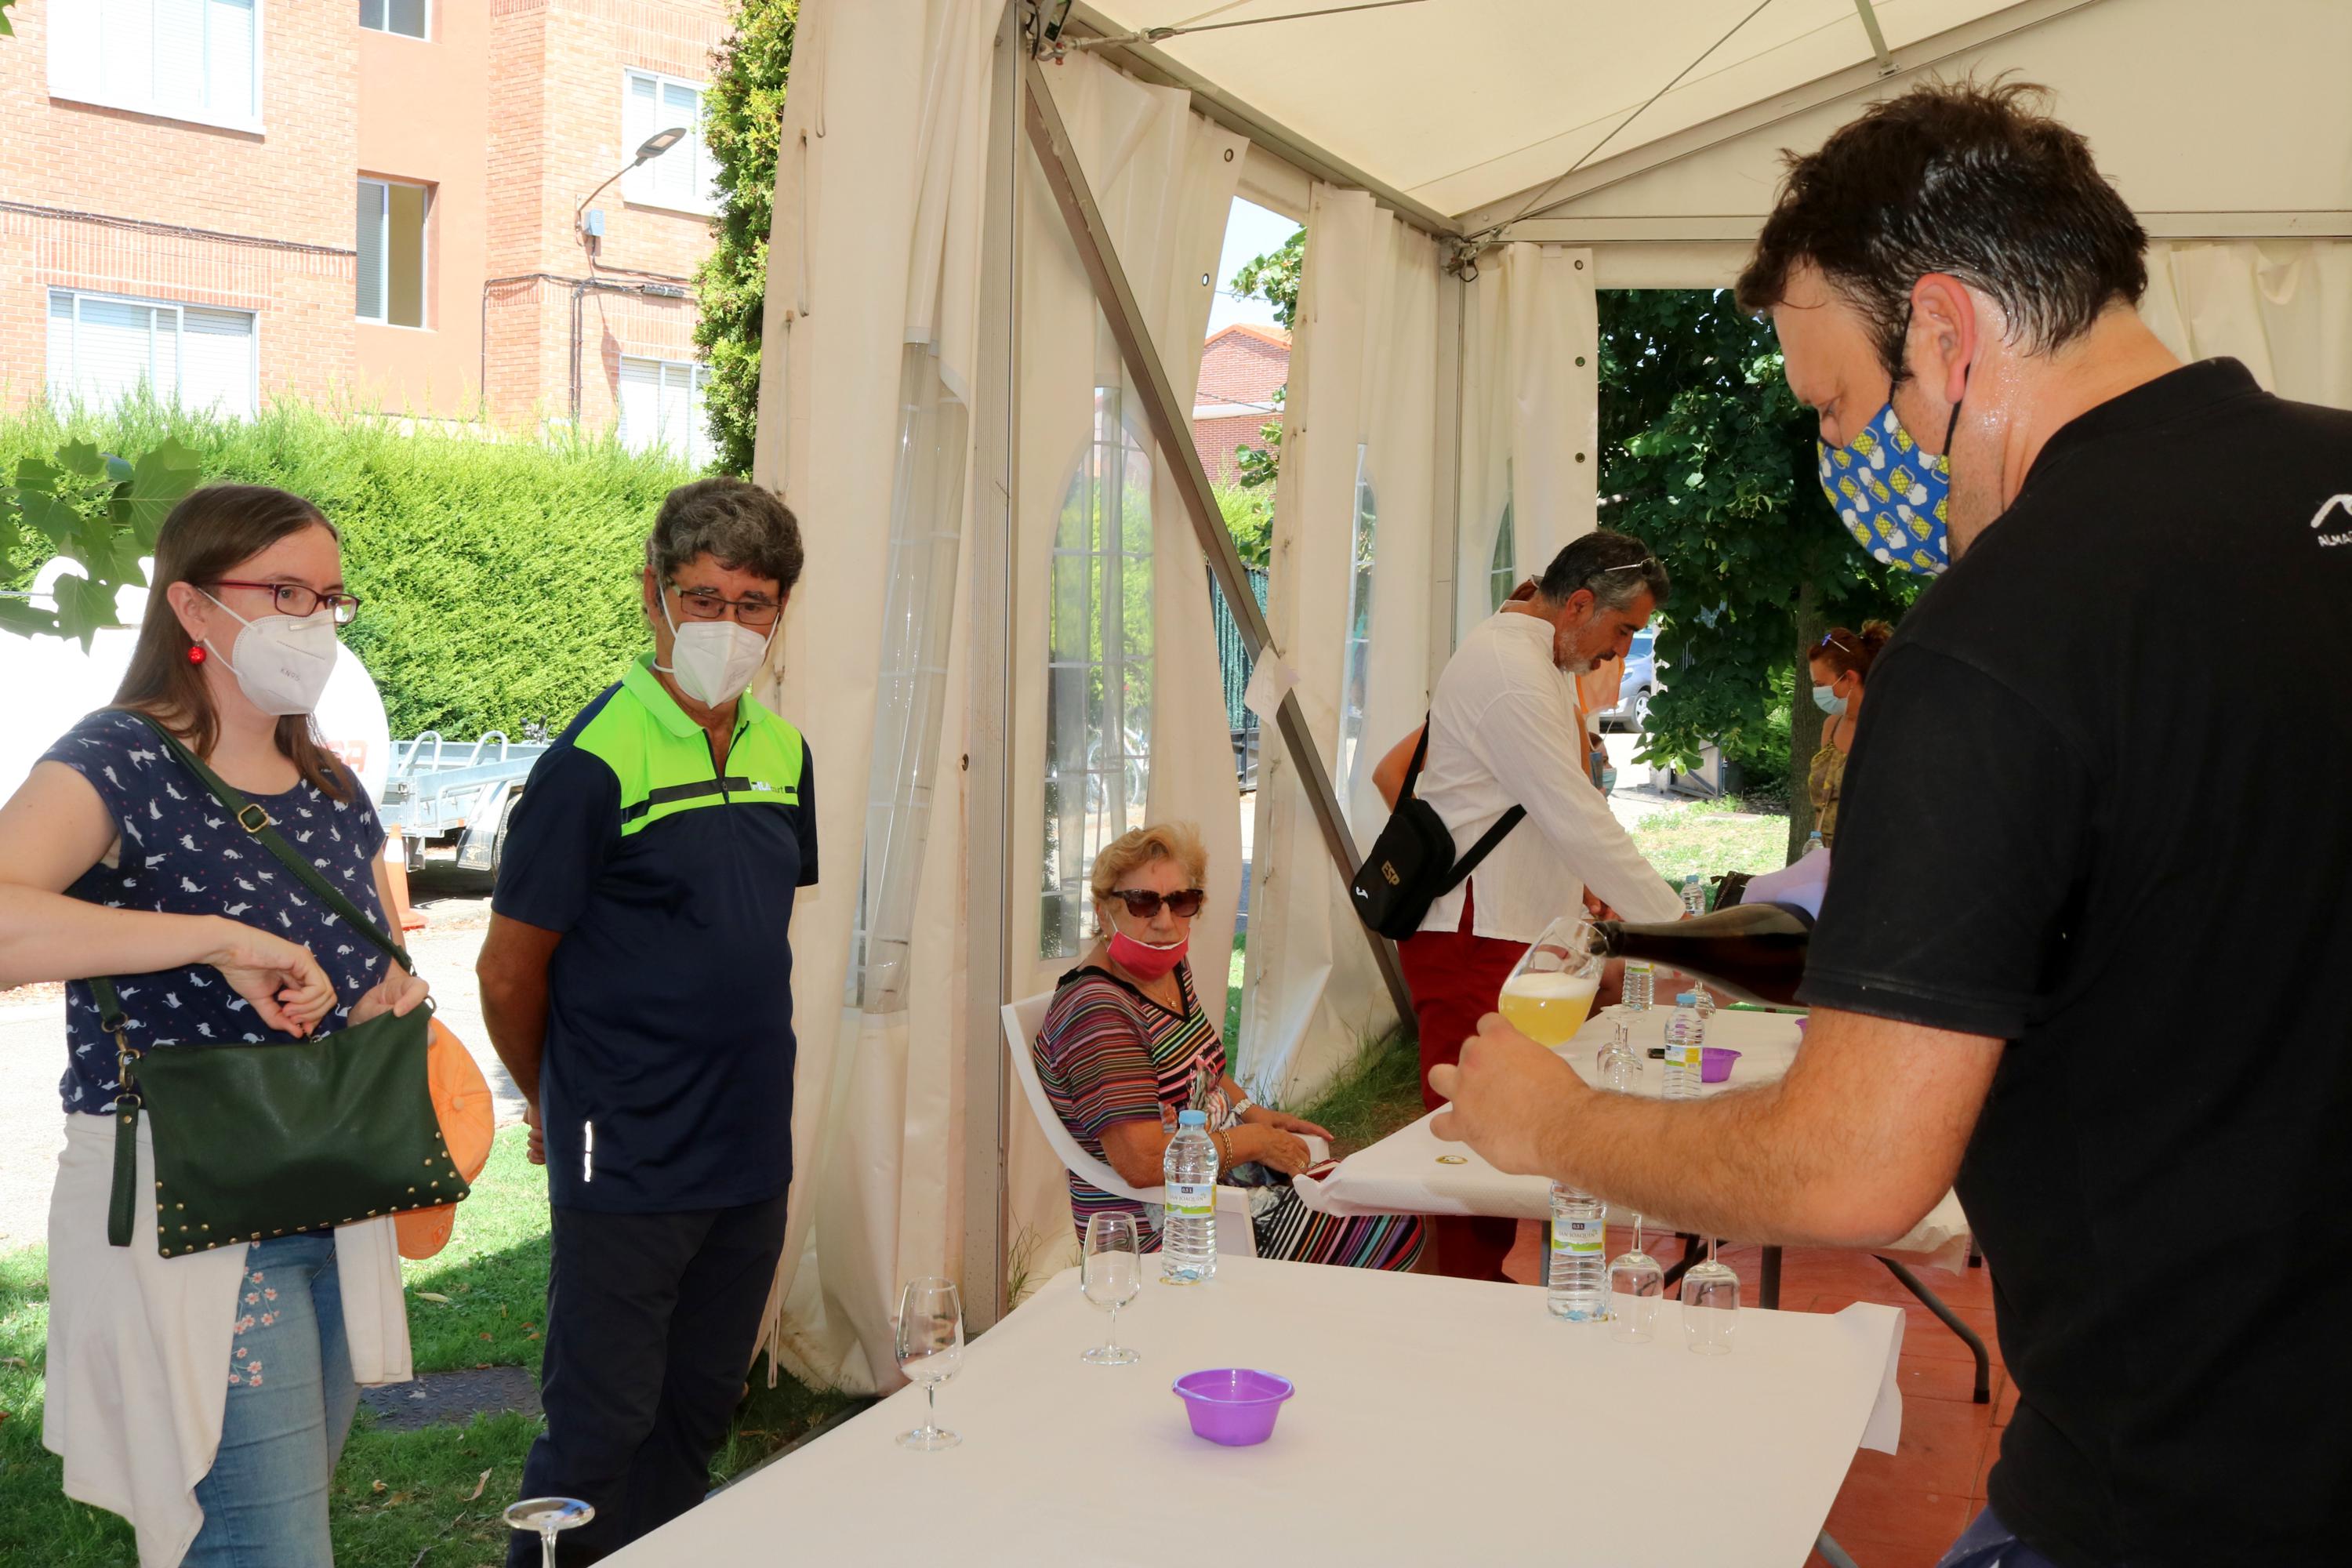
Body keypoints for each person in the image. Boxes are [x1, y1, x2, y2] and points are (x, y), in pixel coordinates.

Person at [1428, 81, 2352, 1566]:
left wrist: (1562, 1125)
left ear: (1946, 332)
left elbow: (1854, 1169)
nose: (1871, 450)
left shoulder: (2003, 631)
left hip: (2177, 1492)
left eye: (1847, 405)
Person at [0, 485, 428, 1566]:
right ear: (192, 610)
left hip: (333, 1190)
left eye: (330, 597)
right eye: (283, 591)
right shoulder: (120, 758)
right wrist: (212, 937)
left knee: (265, 1533)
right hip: (191, 1206)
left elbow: (370, 960)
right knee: (263, 1546)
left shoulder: (328, 781)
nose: (314, 621)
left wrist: (377, 996)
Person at [477, 478, 815, 1564]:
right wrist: (551, 1095)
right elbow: (510, 970)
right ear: (652, 599)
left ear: (780, 614)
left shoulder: (785, 753)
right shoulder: (587, 764)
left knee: (697, 1412)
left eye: (752, 602)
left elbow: (745, 934)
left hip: (750, 1145)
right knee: (598, 1426)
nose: (726, 623)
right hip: (626, 1146)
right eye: (700, 596)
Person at [1398, 531, 1687, 1281]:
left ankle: (1516, 1294)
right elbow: (1577, 817)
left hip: (1509, 936)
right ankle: (1462, 1309)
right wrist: (1682, 933)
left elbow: (1564, 821)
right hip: (1474, 935)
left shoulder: (1531, 659)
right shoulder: (1512, 669)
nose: (1618, 653)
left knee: (1535, 1129)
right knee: (1474, 1150)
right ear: (1580, 605)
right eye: (1622, 632)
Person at [1035, 823, 1424, 1270]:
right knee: (1396, 1226)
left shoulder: (1166, 967)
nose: (1164, 922)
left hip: (1221, 1189)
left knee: (1380, 1194)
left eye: (1181, 901)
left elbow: (1206, 1068)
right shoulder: (1099, 1011)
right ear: (1104, 913)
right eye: (1142, 902)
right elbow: (1141, 1162)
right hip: (1165, 1228)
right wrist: (1252, 1140)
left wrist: (1256, 1114)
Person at [1803, 620, 1891, 848]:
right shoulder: (1831, 726)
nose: (1817, 692)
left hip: (1870, 855)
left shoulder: (1887, 728)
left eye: (1821, 684)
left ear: (1850, 678)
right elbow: (1822, 806)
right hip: (1825, 855)